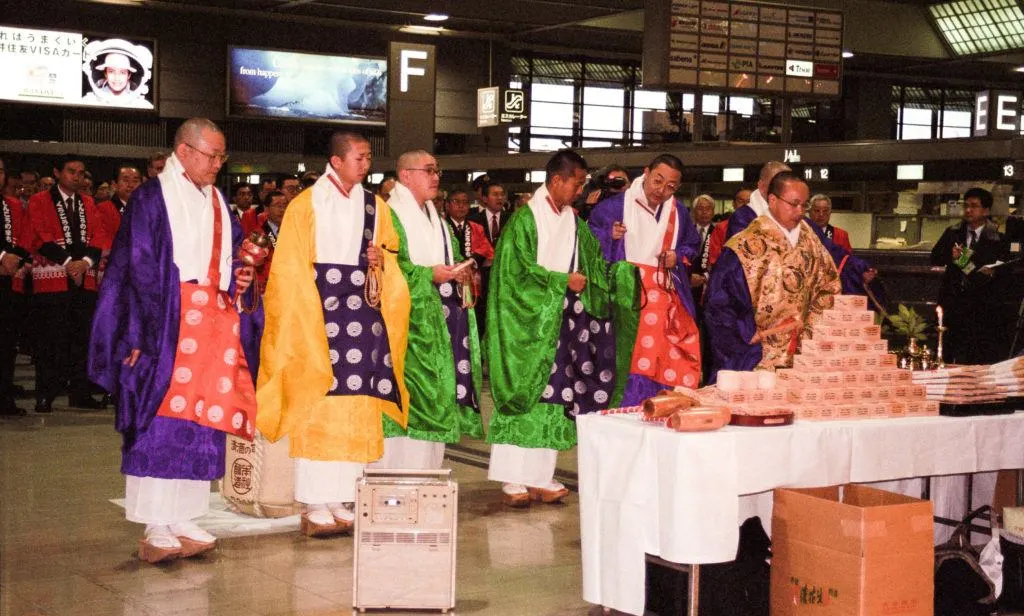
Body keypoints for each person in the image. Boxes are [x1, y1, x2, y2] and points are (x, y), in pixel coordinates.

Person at [88, 117, 259, 563]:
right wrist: (141, 333)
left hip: (212, 323)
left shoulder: (219, 200)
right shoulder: (150, 198)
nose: (218, 164)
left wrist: (242, 274)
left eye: (222, 156)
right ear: (183, 151)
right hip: (164, 323)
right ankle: (157, 523)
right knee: (160, 418)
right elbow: (138, 269)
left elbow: (233, 253)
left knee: (202, 418)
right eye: (212, 155)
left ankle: (186, 516)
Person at [256, 132, 411, 537]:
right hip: (319, 313)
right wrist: (304, 316)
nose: (366, 164)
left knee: (357, 402)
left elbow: (392, 254)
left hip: (363, 312)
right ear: (336, 161)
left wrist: (381, 260)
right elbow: (289, 267)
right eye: (359, 157)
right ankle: (314, 501)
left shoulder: (376, 206)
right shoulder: (305, 205)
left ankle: (342, 497)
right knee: (319, 399)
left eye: (368, 157)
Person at [486, 149, 616, 507]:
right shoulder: (525, 219)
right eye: (576, 183)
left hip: (562, 319)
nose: (579, 190)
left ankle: (542, 475)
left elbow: (593, 257)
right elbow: (514, 273)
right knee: (525, 391)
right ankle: (513, 477)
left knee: (556, 393)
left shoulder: (572, 220)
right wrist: (561, 281)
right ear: (556, 180)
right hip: (528, 323)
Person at [379, 150, 483, 469]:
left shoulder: (434, 218)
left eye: (438, 170)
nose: (436, 176)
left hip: (441, 319)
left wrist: (462, 272)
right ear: (406, 175)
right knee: (412, 396)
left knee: (437, 395)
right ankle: (395, 479)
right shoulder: (389, 214)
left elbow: (448, 260)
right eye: (429, 170)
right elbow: (388, 266)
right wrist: (429, 275)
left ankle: (426, 478)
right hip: (407, 325)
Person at [589, 154, 702, 403]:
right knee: (629, 357)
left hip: (665, 298)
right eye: (657, 181)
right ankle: (625, 409)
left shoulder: (678, 212)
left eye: (670, 186)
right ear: (646, 172)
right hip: (625, 297)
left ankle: (659, 407)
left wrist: (677, 256)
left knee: (665, 357)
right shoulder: (613, 207)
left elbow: (692, 244)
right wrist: (609, 236)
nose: (661, 190)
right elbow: (589, 245)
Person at [705, 173, 840, 379]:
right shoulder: (745, 245)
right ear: (772, 200)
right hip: (758, 353)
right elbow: (719, 303)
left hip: (803, 351)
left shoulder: (811, 241)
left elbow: (829, 286)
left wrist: (811, 329)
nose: (799, 212)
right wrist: (744, 334)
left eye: (804, 206)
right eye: (793, 204)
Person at [26, 154, 108, 412]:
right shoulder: (40, 200)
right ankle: (46, 394)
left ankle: (80, 393)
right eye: (71, 171)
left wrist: (83, 263)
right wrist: (69, 263)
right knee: (50, 339)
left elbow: (99, 237)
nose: (77, 176)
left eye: (81, 172)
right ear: (57, 172)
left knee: (82, 338)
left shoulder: (88, 202)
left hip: (84, 279)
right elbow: (38, 236)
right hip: (52, 279)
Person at [930, 187, 1009, 364]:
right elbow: (934, 257)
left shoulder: (998, 239)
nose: (968, 210)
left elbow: (993, 274)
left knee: (975, 356)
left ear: (986, 210)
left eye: (974, 206)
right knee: (947, 352)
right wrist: (950, 256)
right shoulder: (953, 232)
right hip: (952, 302)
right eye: (966, 205)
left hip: (980, 306)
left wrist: (963, 261)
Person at [0, 157, 31, 417]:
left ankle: (4, 397)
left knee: (7, 342)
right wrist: (1, 257)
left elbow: (25, 236)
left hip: (7, 281)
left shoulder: (11, 205)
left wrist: (17, 258)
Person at [468, 181, 510, 338]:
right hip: (481, 278)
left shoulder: (512, 219)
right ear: (485, 198)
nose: (500, 198)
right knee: (482, 316)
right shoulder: (472, 220)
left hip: (504, 277)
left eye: (502, 194)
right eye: (495, 194)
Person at [83, 52, 153, 108]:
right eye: (111, 72)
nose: (117, 78)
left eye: (122, 73)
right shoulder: (88, 101)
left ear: (128, 75)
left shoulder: (142, 105)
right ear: (105, 74)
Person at [444, 189, 494, 269]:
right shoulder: (441, 227)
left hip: (472, 274)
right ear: (447, 205)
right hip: (448, 273)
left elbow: (487, 249)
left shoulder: (477, 228)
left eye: (465, 202)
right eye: (456, 201)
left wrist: (472, 261)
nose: (461, 206)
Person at [706, 187, 751, 270]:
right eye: (741, 201)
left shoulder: (761, 227)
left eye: (749, 201)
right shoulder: (721, 227)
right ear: (733, 204)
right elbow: (714, 257)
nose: (745, 204)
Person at [96, 165, 142, 240]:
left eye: (135, 181)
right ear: (114, 185)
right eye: (126, 180)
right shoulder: (103, 208)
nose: (130, 185)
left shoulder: (146, 209)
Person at [253, 190, 287, 293]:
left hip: (289, 287)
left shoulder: (294, 232)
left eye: (285, 205)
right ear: (266, 210)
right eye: (277, 205)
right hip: (267, 289)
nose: (282, 209)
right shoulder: (257, 235)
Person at [689, 193, 716, 308]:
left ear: (713, 212)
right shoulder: (687, 232)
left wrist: (706, 277)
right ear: (694, 212)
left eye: (708, 209)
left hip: (710, 286)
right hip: (689, 284)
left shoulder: (718, 233)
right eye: (700, 209)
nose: (704, 212)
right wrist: (688, 276)